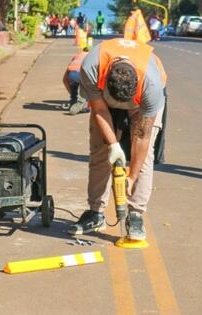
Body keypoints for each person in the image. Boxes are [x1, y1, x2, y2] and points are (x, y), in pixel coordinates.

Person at [67, 38, 167, 241]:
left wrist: (131, 176)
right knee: (99, 151)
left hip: (142, 104)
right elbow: (100, 109)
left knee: (144, 158)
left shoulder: (152, 85)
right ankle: (95, 212)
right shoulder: (92, 66)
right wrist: (113, 144)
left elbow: (142, 136)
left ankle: (136, 213)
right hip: (104, 101)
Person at [63, 46, 89, 115]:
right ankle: (82, 106)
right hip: (81, 73)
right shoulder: (90, 56)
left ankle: (73, 104)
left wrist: (72, 94)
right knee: (86, 89)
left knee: (74, 88)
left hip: (71, 74)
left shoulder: (77, 56)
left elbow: (64, 79)